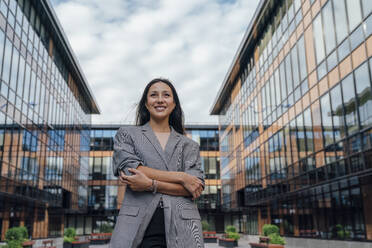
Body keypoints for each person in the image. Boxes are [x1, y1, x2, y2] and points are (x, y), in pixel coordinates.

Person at [110, 78, 205, 248]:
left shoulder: (189, 145)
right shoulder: (127, 134)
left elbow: (194, 188)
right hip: (138, 224)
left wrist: (150, 184)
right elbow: (131, 169)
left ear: (174, 103)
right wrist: (182, 176)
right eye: (154, 95)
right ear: (146, 104)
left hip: (184, 227)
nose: (160, 99)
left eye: (166, 95)